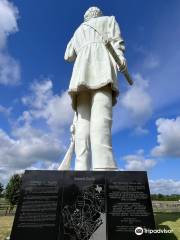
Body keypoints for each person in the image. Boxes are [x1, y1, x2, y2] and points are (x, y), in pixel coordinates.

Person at [64, 6, 126, 171]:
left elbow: (68, 55)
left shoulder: (78, 30)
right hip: (102, 67)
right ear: (99, 14)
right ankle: (103, 165)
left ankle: (81, 166)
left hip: (80, 72)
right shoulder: (109, 20)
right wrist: (120, 57)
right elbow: (117, 42)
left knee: (82, 119)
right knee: (101, 113)